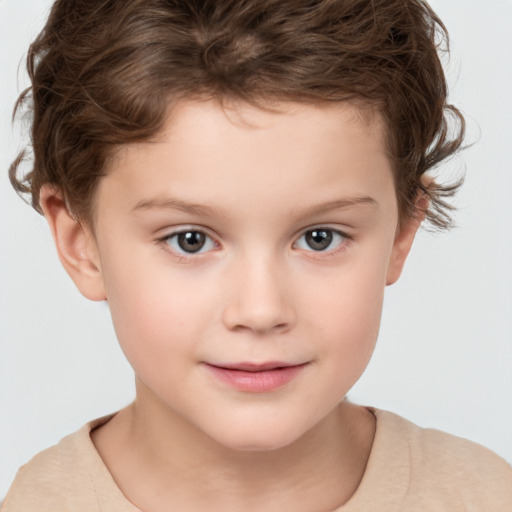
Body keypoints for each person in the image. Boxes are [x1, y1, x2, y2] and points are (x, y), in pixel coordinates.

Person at [2, 0, 511, 510]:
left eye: (320, 237)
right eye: (190, 240)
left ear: (401, 233)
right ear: (80, 243)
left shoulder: (484, 496)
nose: (261, 310)